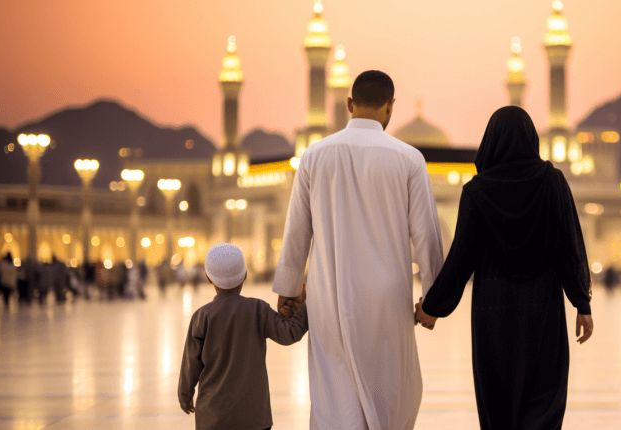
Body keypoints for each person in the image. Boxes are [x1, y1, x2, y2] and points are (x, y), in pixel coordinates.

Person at [271, 70, 444, 430]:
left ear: (350, 104)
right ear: (391, 106)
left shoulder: (315, 156)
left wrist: (288, 290)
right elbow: (427, 235)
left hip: (329, 294)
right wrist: (433, 300)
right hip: (388, 299)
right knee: (391, 387)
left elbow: (297, 231)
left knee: (335, 389)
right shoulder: (409, 159)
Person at [416, 106, 594, 429]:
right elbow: (570, 246)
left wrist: (432, 307)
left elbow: (461, 258)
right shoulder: (552, 182)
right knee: (543, 393)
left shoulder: (477, 190)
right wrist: (582, 303)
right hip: (543, 309)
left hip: (493, 311)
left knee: (498, 397)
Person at [179, 243, 308, 430]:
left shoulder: (202, 316)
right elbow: (289, 334)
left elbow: (190, 363)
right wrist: (304, 306)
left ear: (208, 278)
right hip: (254, 418)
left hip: (212, 418)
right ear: (245, 275)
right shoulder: (258, 309)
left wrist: (185, 394)